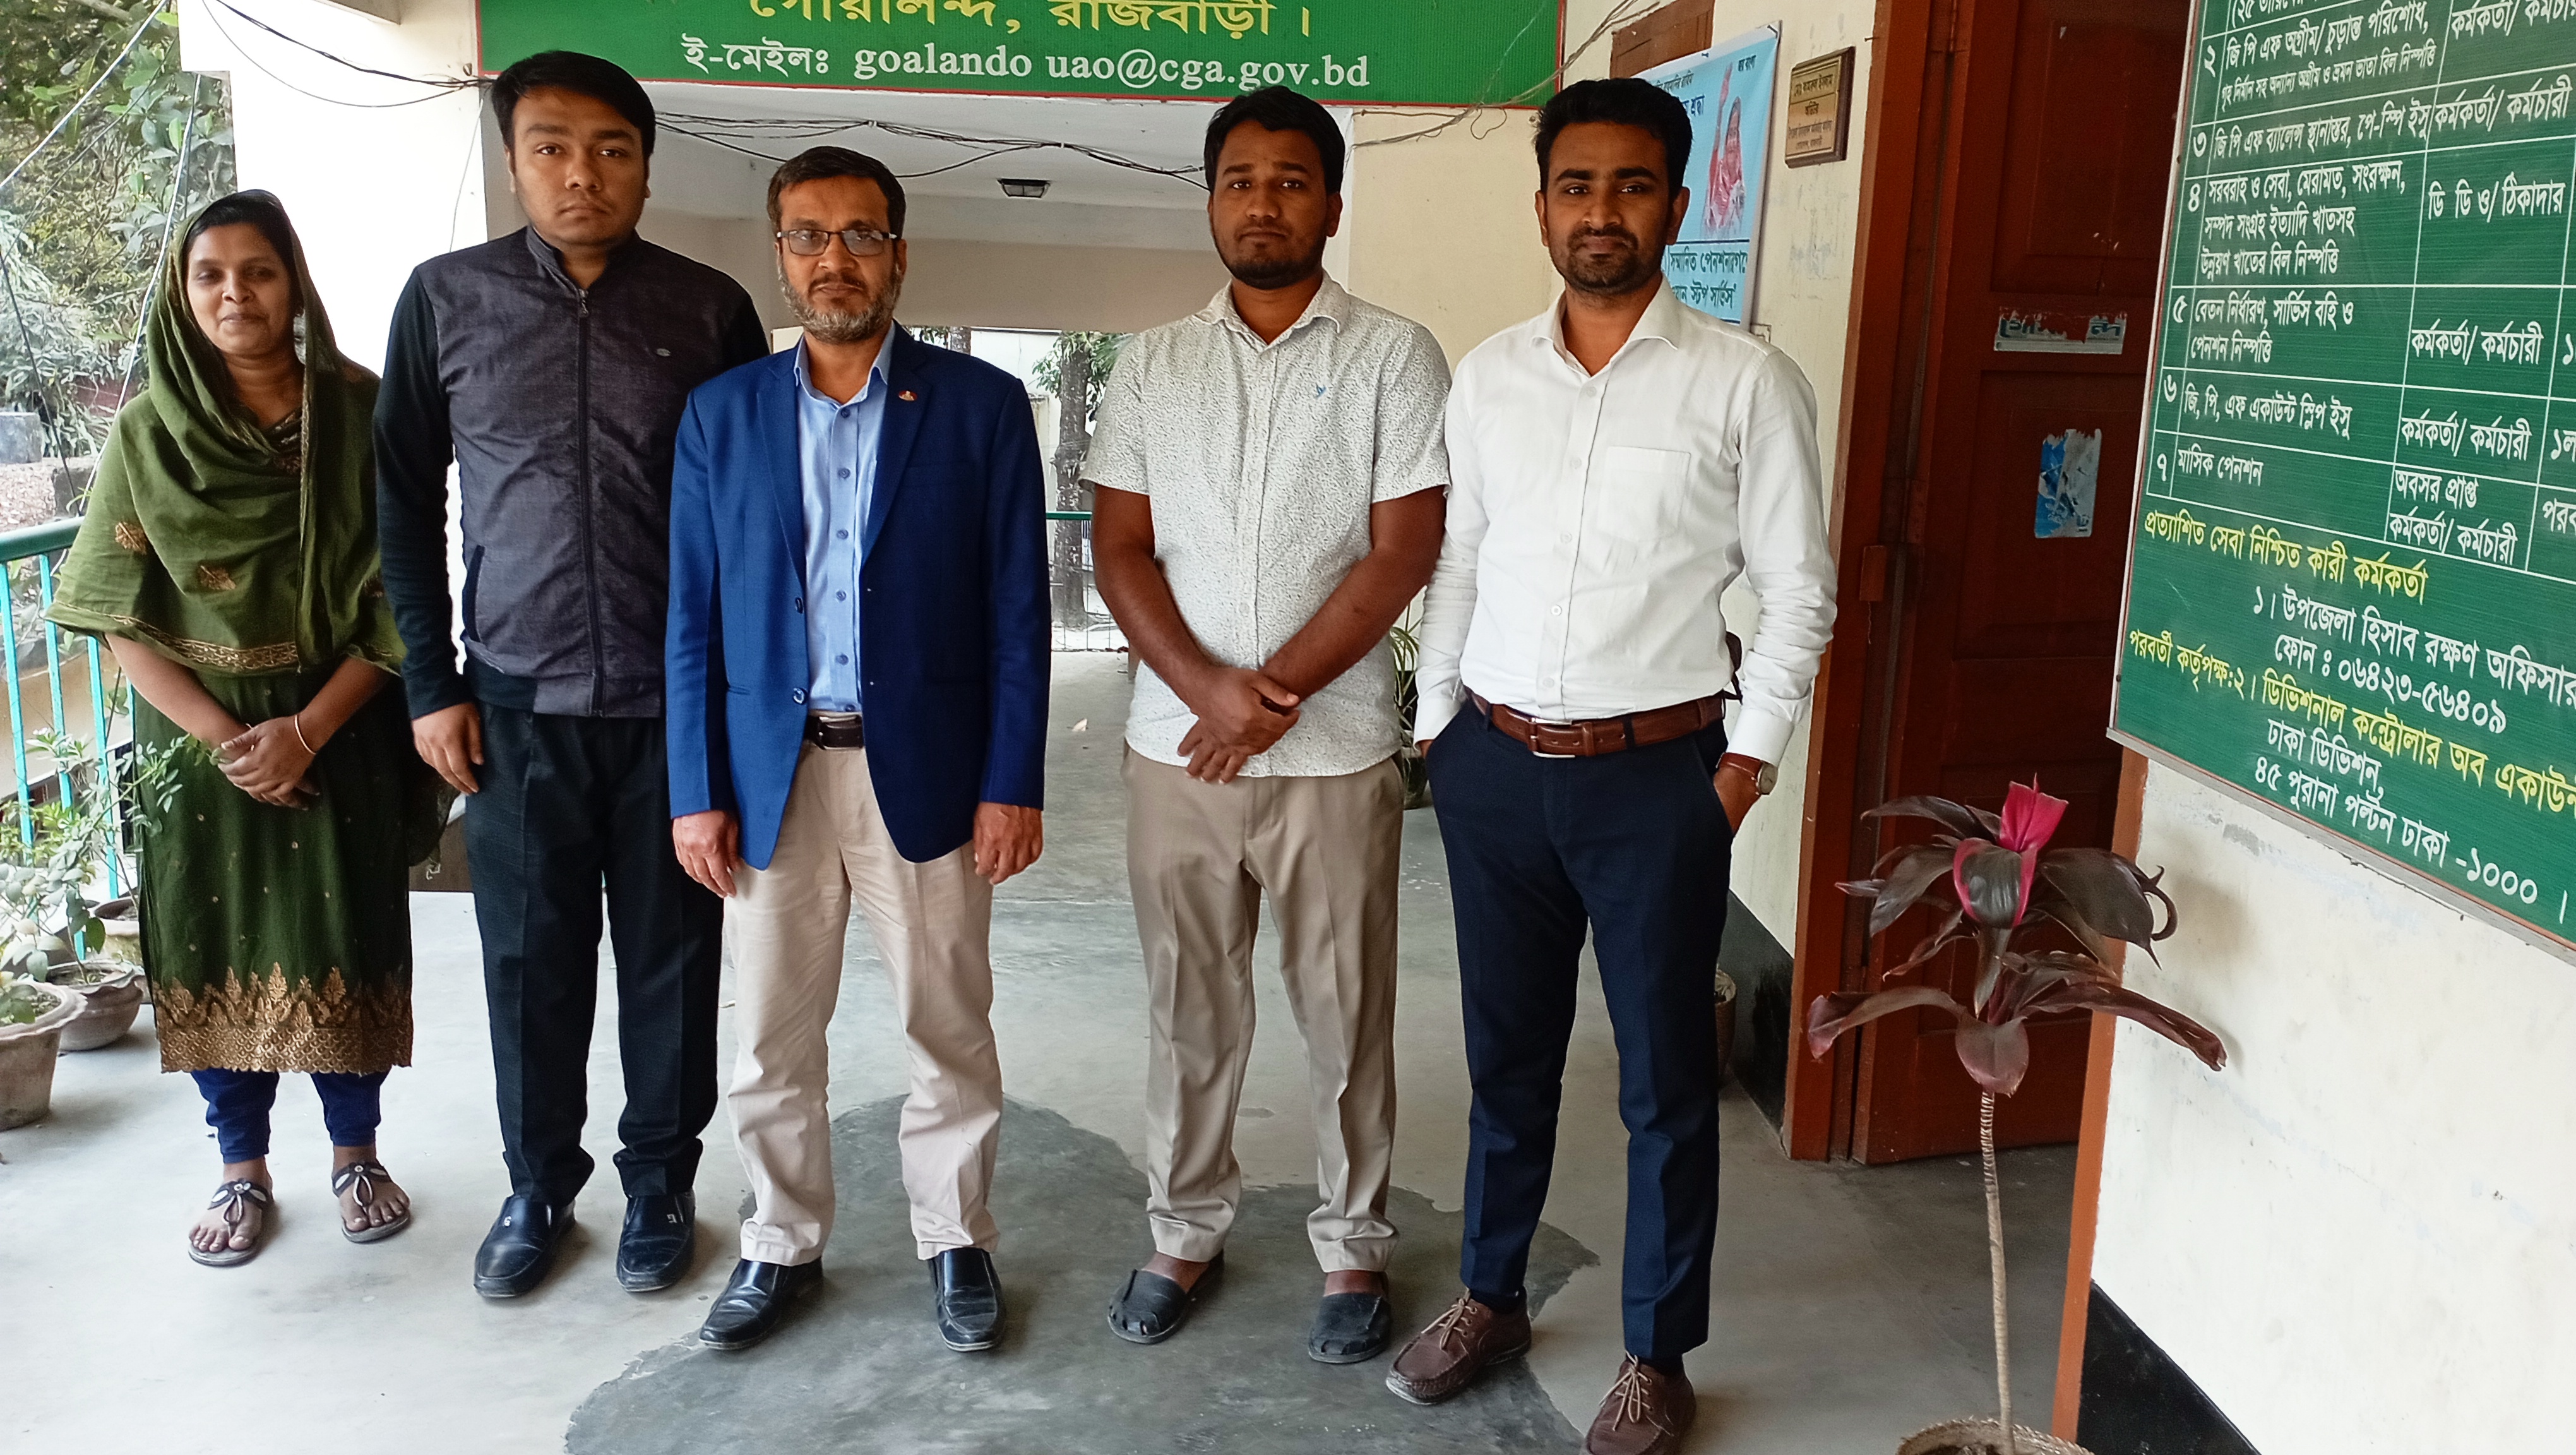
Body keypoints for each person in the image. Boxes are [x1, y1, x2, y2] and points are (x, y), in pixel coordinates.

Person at [1386, 79, 1836, 1455]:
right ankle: (1493, 1297)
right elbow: (1462, 558)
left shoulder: (1744, 382)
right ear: (1541, 209)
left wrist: (1744, 771)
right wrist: (1439, 726)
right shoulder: (1490, 376)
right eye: (1576, 186)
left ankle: (1656, 1353)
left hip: (1660, 784)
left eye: (1631, 186)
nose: (1601, 212)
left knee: (1663, 1088)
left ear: (1676, 207)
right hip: (1495, 772)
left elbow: (1798, 594)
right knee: (1507, 1062)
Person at [374, 51, 770, 1300]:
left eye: (610, 148)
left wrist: (737, 714)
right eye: (551, 146)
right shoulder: (446, 300)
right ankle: (538, 1184)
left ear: (646, 166)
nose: (580, 173)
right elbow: (400, 499)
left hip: (672, 710)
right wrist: (431, 683)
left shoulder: (707, 309)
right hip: (512, 709)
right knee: (528, 963)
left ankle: (659, 1182)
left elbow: (754, 516)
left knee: (672, 961)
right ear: (513, 160)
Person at [1086, 87, 1450, 1363]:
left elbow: (1402, 551)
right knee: (1190, 1008)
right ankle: (1184, 1228)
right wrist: (1207, 691)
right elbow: (1120, 550)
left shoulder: (1395, 355)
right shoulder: (1153, 364)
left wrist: (1269, 696)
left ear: (1331, 207)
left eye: (1291, 181)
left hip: (1334, 754)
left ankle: (1354, 1246)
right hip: (1177, 751)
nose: (1263, 203)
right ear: (1210, 201)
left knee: (1346, 1015)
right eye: (1239, 180)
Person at [665, 146, 1049, 1353]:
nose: (837, 258)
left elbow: (1019, 614)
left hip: (924, 769)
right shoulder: (723, 414)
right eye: (810, 235)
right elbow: (690, 616)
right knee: (770, 1037)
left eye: (862, 235)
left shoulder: (981, 409)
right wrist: (695, 790)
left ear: (899, 253)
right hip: (771, 776)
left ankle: (956, 1236)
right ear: (780, 256)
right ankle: (780, 1241)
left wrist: (1011, 781)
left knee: (947, 1021)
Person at [47, 191, 438, 1266]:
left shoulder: (362, 410)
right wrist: (232, 741)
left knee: (346, 932)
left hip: (340, 719)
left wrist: (305, 732)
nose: (236, 294)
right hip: (195, 739)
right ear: (183, 294)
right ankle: (241, 1167)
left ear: (293, 283)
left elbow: (401, 591)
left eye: (258, 272)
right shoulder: (148, 429)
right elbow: (116, 613)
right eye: (210, 275)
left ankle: (356, 1155)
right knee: (210, 937)